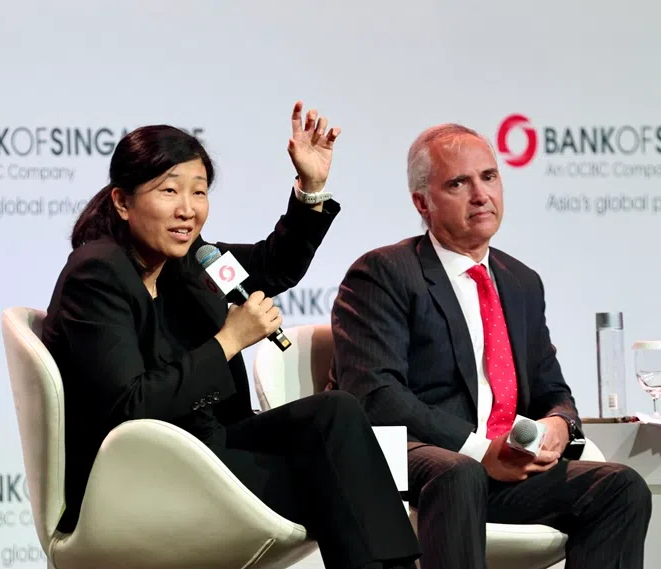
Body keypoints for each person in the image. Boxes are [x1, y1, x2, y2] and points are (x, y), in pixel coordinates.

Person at [40, 101, 421, 569]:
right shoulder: (96, 274)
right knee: (335, 476)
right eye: (168, 191)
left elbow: (272, 265)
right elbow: (129, 407)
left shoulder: (189, 260)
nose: (187, 210)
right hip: (139, 477)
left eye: (199, 192)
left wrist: (311, 189)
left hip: (209, 448)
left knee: (336, 413)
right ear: (122, 202)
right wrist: (229, 340)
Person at [328, 123, 652, 569]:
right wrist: (479, 452)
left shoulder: (521, 282)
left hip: (502, 470)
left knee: (621, 488)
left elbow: (554, 391)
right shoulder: (384, 272)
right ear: (422, 202)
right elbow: (376, 396)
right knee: (459, 473)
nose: (481, 195)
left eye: (489, 177)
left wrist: (559, 425)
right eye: (458, 183)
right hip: (416, 461)